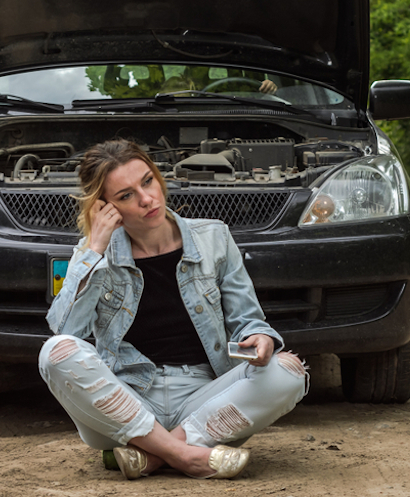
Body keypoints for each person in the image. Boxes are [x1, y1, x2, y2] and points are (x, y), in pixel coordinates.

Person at [39, 139, 307, 480]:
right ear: (105, 207)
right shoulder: (93, 254)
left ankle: (152, 455)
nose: (147, 199)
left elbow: (247, 318)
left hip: (205, 400)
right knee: (53, 352)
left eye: (147, 181)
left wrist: (257, 335)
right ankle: (186, 455)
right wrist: (94, 250)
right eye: (126, 196)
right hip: (124, 404)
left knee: (289, 370)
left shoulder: (214, 238)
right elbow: (66, 332)